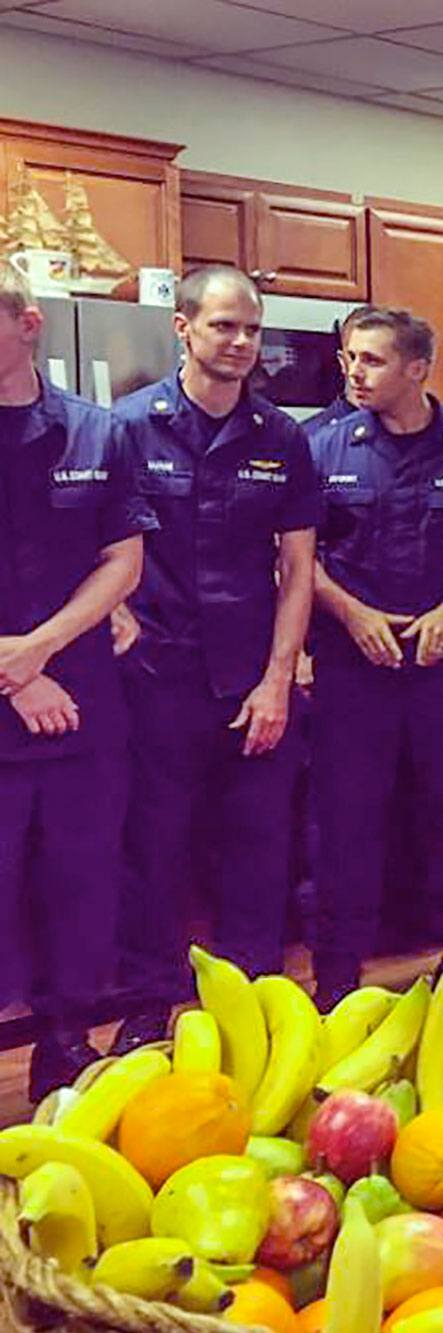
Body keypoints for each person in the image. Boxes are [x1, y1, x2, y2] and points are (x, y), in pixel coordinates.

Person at [111, 266, 320, 1045]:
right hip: (156, 679)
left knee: (258, 856)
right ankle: (145, 1008)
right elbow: (100, 544)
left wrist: (277, 681)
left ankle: (255, 1010)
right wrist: (119, 612)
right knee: (153, 852)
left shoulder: (282, 437)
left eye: (252, 329)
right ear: (184, 328)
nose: (240, 343)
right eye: (224, 326)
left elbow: (298, 568)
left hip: (252, 681)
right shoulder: (129, 426)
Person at [307, 308, 443, 999]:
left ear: (418, 369)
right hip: (357, 667)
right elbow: (295, 558)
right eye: (350, 357)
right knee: (346, 827)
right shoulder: (321, 447)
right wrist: (351, 615)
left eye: (373, 360)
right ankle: (334, 985)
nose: (355, 371)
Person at [0, 264, 154, 1097]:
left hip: (85, 708)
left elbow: (122, 560)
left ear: (27, 325)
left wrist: (41, 649)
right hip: (10, 706)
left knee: (81, 884)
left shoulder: (97, 432)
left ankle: (65, 1047)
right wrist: (15, 674)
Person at [302, 306, 378, 436]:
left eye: (373, 359)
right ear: (343, 362)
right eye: (353, 357)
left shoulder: (408, 432)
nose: (359, 370)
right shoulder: (311, 437)